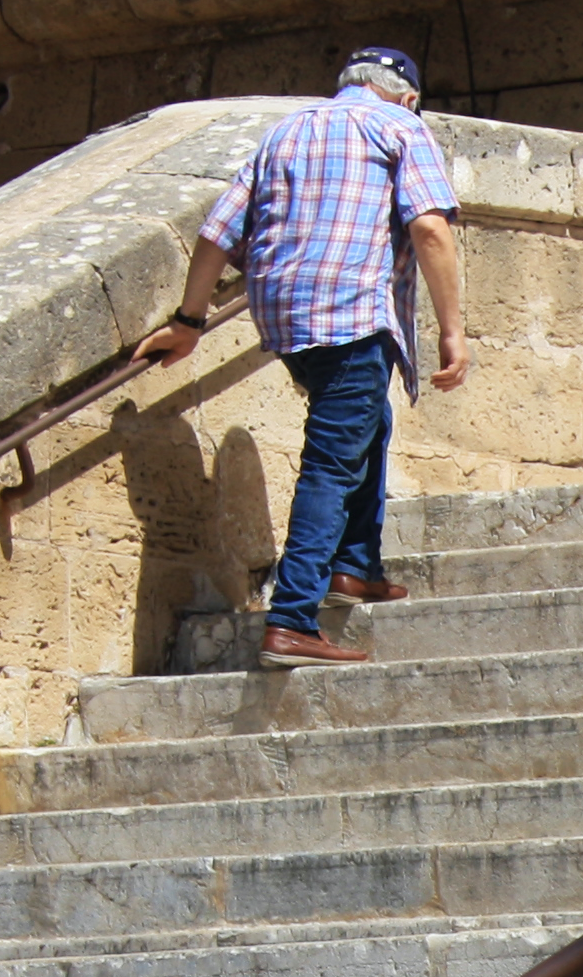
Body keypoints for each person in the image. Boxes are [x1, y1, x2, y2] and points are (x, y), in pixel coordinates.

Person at [136, 46, 474, 665]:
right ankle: (292, 619)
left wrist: (190, 322)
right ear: (408, 97)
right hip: (351, 312)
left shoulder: (285, 132)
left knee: (369, 419)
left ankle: (355, 566)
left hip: (285, 318)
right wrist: (452, 330)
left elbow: (216, 233)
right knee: (330, 463)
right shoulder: (401, 126)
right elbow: (430, 228)